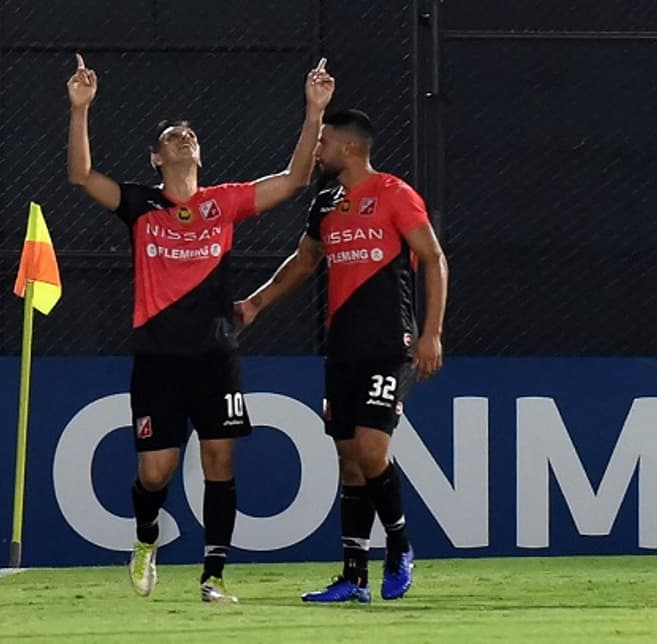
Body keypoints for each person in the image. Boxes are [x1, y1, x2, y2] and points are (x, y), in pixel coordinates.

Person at [66, 53, 334, 602]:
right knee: (156, 472)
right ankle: (146, 538)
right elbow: (81, 176)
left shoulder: (223, 203)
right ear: (156, 157)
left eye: (189, 135)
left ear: (200, 153)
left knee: (220, 460)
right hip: (158, 358)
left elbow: (294, 180)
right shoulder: (140, 204)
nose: (183, 139)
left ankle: (213, 575)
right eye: (172, 137)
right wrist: (80, 109)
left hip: (215, 354)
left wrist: (314, 111)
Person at [235, 109, 448, 603]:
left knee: (372, 450)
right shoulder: (326, 202)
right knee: (350, 460)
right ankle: (354, 577)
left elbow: (434, 258)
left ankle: (400, 546)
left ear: (350, 147)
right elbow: (305, 260)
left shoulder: (394, 193)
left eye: (324, 142)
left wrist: (431, 333)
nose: (317, 151)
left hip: (388, 345)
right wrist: (256, 303)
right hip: (343, 348)